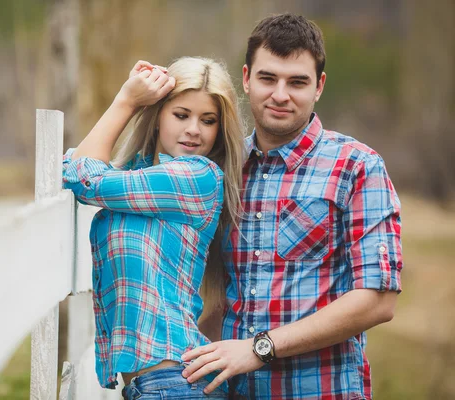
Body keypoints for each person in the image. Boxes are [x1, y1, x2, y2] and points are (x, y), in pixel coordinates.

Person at [181, 13, 403, 399]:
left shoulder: (356, 167)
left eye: (297, 82)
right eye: (268, 78)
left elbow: (378, 301)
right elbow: (231, 295)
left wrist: (258, 348)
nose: (280, 94)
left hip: (320, 390)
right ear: (247, 79)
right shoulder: (223, 171)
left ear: (319, 86)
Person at [62, 57, 245, 399]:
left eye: (208, 120)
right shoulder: (139, 174)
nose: (193, 129)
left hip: (174, 383)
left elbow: (83, 178)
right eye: (181, 114)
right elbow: (78, 167)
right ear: (158, 114)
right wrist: (132, 101)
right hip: (159, 386)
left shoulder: (198, 178)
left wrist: (125, 101)